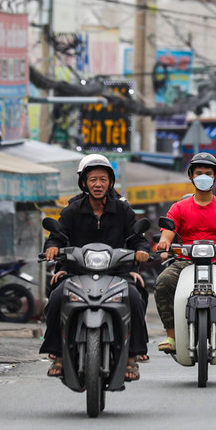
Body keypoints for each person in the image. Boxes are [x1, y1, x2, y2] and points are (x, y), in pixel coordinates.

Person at [41, 154, 151, 381]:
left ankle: (133, 356)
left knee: (135, 295)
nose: (98, 184)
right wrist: (52, 248)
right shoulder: (71, 210)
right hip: (76, 272)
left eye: (103, 179)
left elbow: (137, 238)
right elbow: (57, 236)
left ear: (110, 182)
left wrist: (141, 251)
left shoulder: (123, 210)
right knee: (57, 297)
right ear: (84, 183)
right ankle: (58, 354)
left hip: (118, 272)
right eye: (93, 180)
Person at [153, 152, 216, 356]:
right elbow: (168, 232)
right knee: (163, 283)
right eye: (199, 173)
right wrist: (164, 242)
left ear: (215, 176)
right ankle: (171, 335)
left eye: (208, 173)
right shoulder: (178, 208)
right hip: (185, 261)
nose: (203, 177)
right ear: (191, 175)